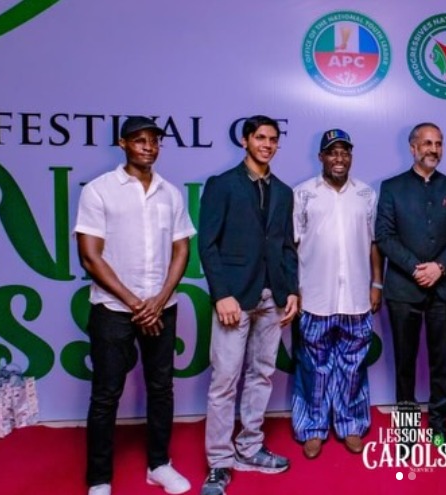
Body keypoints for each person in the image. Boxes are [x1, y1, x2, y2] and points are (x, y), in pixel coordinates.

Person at [75, 116, 195, 495]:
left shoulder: (170, 193)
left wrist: (158, 301)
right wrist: (136, 303)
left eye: (154, 141)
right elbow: (90, 257)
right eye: (139, 140)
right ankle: (99, 478)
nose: (148, 147)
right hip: (113, 310)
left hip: (162, 307)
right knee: (106, 394)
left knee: (161, 388)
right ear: (123, 144)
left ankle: (159, 465)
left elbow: (182, 249)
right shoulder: (99, 191)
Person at [198, 115, 299, 495]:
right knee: (224, 381)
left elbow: (286, 246)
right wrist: (221, 293)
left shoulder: (284, 192)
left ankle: (250, 447)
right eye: (260, 137)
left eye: (273, 139)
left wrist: (291, 291)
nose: (267, 144)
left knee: (262, 375)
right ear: (245, 141)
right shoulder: (222, 184)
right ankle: (219, 462)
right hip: (234, 298)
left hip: (273, 298)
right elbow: (207, 244)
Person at [375, 122, 446, 459]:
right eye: (427, 143)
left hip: (443, 290)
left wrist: (439, 267)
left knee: (441, 364)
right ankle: (407, 432)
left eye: (438, 143)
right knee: (405, 364)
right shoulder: (392, 188)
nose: (433, 149)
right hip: (404, 290)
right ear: (413, 148)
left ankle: (440, 429)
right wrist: (417, 268)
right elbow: (384, 236)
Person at [291, 129, 383, 459]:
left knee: (353, 366)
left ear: (351, 157)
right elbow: (293, 245)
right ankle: (312, 428)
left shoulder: (366, 194)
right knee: (313, 368)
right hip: (315, 297)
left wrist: (376, 283)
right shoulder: (303, 194)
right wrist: (295, 291)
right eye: (332, 152)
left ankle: (351, 424)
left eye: (345, 152)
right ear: (321, 157)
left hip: (356, 296)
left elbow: (373, 243)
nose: (339, 158)